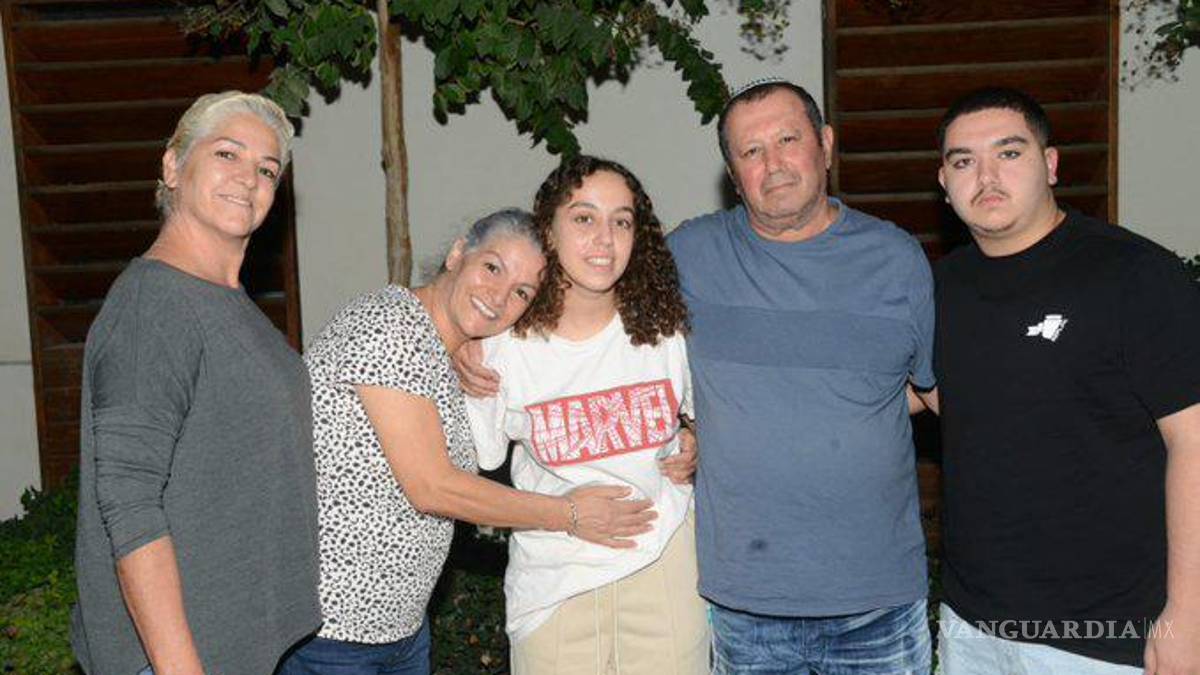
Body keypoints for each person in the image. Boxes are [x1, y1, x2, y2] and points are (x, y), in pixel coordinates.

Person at [279, 208, 658, 675]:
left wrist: (679, 435)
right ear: (459, 253)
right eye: (492, 267)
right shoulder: (388, 326)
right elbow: (432, 488)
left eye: (521, 292)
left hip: (399, 627)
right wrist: (568, 514)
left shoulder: (446, 350)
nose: (499, 297)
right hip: (332, 631)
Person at [668, 78, 936, 673]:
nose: (774, 164)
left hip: (879, 602)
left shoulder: (896, 259)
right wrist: (480, 345)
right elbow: (601, 331)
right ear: (733, 173)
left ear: (826, 144)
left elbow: (929, 389)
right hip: (745, 605)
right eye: (751, 151)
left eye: (788, 140)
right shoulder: (690, 255)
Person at [930, 87, 1200, 674]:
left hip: (1104, 638)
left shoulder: (1134, 275)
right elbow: (915, 394)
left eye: (1009, 153)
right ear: (945, 184)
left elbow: (1195, 443)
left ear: (1050, 164)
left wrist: (1189, 616)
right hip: (971, 628)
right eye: (963, 161)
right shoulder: (938, 288)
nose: (986, 177)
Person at [71, 91, 320, 675]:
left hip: (241, 645)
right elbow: (130, 506)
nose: (249, 178)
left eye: (267, 169)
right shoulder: (155, 304)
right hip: (177, 657)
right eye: (227, 154)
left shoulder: (226, 301)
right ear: (172, 166)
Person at [462, 156, 707, 674]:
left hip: (662, 562)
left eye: (622, 221)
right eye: (583, 218)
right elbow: (470, 474)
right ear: (547, 232)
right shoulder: (501, 348)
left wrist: (695, 438)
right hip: (554, 581)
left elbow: (709, 420)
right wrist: (456, 348)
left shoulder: (666, 332)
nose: (605, 239)